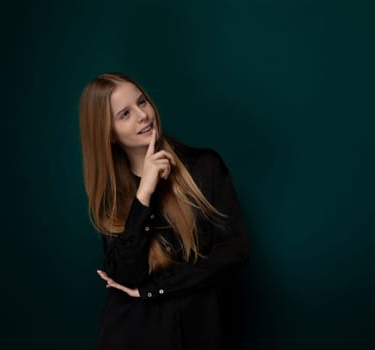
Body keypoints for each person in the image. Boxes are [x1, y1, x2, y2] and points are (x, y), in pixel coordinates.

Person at [79, 72, 249, 350]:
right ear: (107, 134)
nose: (143, 116)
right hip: (134, 334)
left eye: (142, 102)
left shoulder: (204, 167)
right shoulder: (112, 196)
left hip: (200, 330)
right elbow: (125, 275)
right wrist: (144, 193)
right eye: (124, 114)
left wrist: (156, 289)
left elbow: (235, 250)